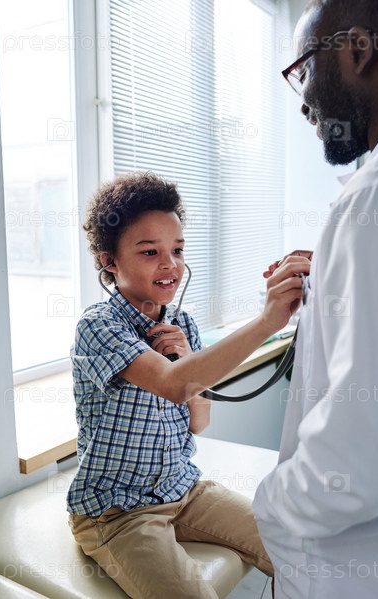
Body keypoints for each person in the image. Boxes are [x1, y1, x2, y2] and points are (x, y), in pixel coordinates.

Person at [67, 172, 309, 599]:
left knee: (301, 552)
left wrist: (185, 358)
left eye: (177, 250)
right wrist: (267, 321)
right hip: (117, 511)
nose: (170, 264)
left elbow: (199, 421)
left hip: (183, 488)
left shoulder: (184, 324)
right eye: (150, 252)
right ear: (110, 262)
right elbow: (171, 386)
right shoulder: (98, 326)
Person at [253, 1, 378, 598]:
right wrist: (329, 280)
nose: (303, 100)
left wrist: (272, 505)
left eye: (303, 69)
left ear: (358, 51)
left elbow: (361, 455)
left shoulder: (376, 196)